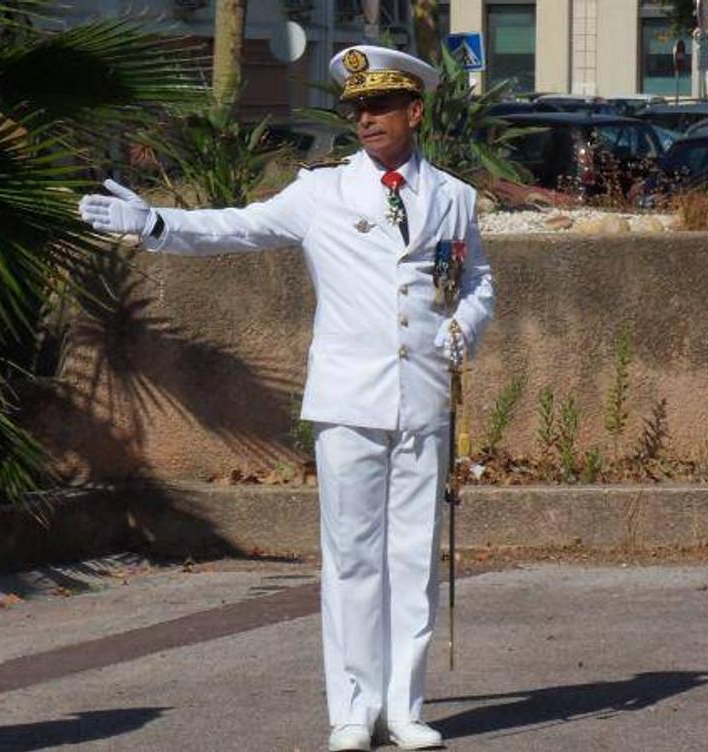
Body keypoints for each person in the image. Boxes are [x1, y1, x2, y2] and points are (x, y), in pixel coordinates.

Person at [78, 46, 493, 751]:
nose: (365, 119)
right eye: (357, 108)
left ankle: (405, 705)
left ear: (414, 111)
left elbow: (476, 279)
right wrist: (154, 226)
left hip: (422, 396)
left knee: (414, 557)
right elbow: (237, 226)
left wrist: (466, 325)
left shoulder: (451, 197)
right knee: (353, 555)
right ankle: (354, 710)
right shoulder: (322, 192)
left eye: (380, 107)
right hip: (348, 399)